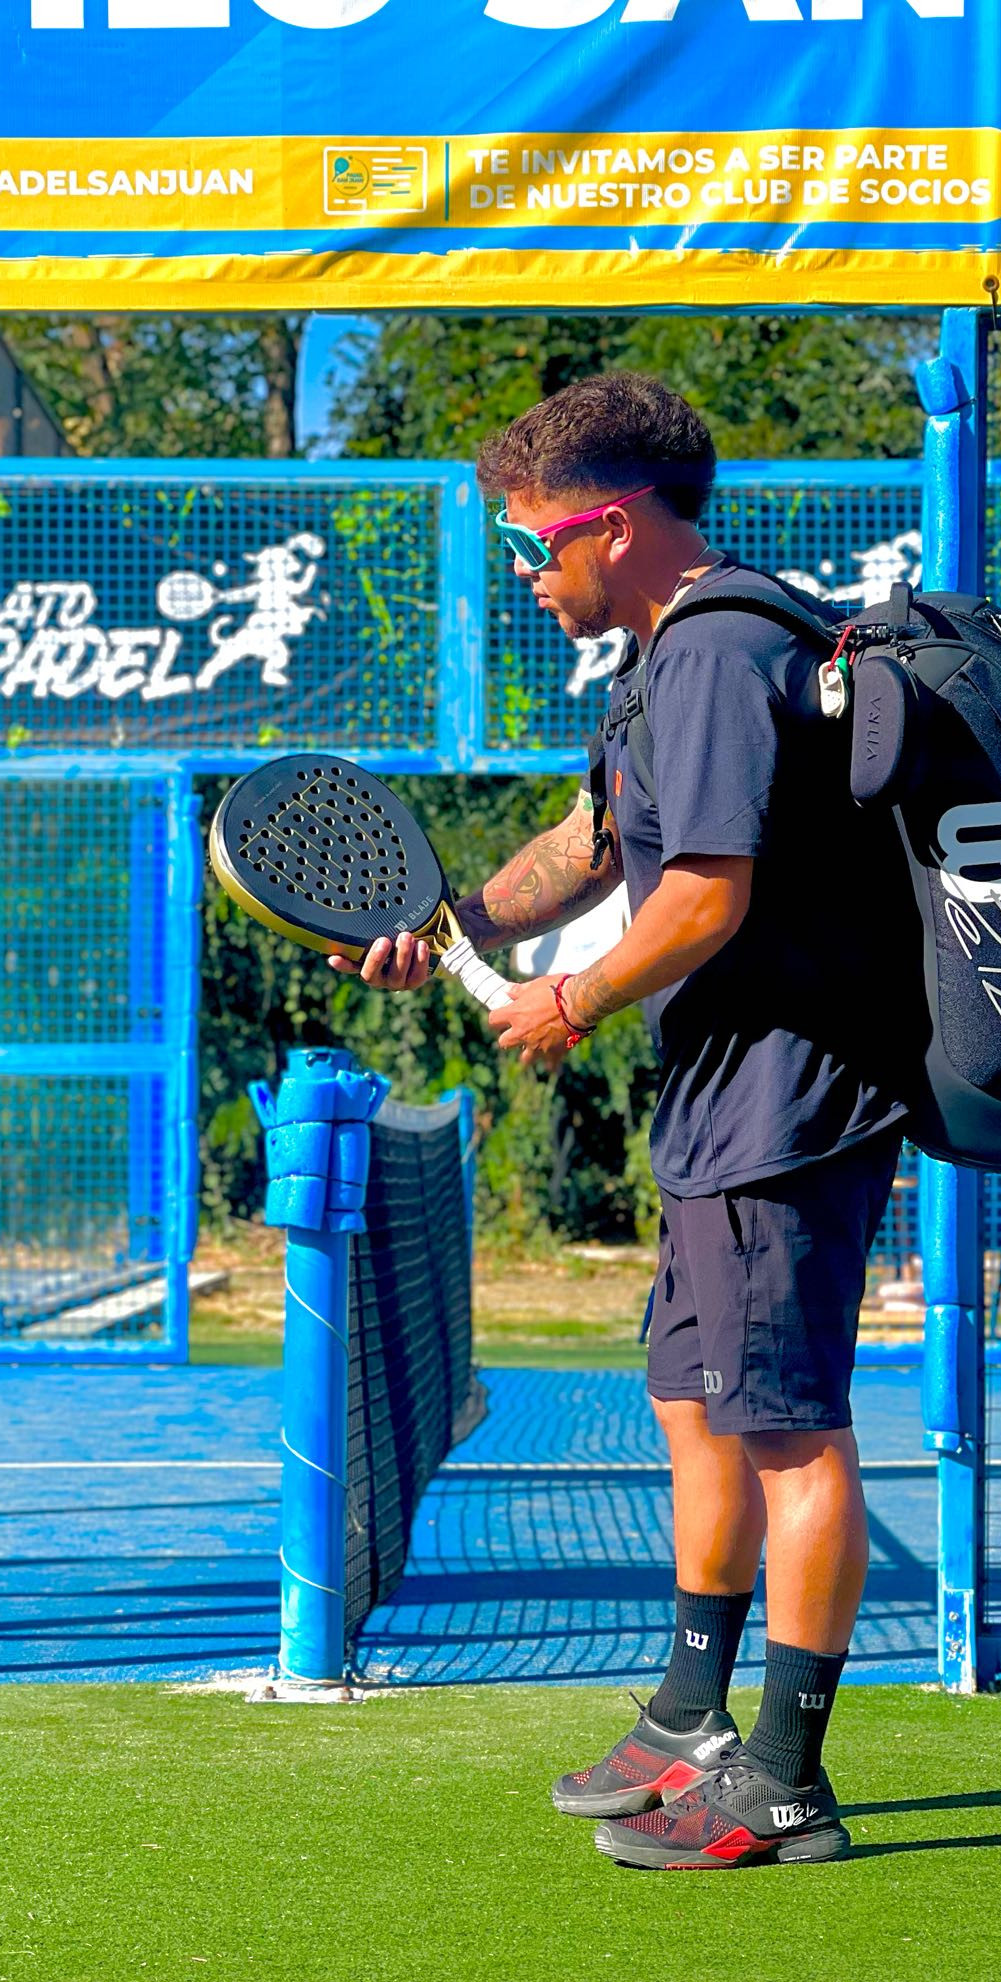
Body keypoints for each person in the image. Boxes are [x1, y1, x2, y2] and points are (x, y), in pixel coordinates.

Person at [328, 373, 902, 1868]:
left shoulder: (717, 651)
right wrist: (452, 920)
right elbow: (593, 847)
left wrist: (570, 1002)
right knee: (694, 1398)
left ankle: (785, 1779)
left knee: (790, 1430)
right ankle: (696, 1715)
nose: (527, 574)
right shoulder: (661, 662)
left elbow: (709, 894)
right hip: (722, 1098)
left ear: (619, 524)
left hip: (786, 1098)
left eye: (538, 544)